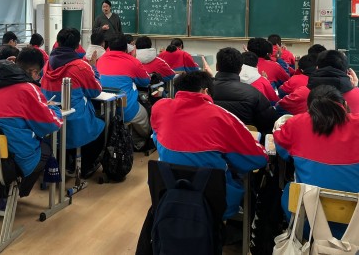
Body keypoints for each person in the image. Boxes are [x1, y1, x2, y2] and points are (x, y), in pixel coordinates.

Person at [151, 71, 268, 219]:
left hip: (169, 193)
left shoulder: (160, 107)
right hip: (213, 202)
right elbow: (258, 159)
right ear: (206, 91)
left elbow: (157, 139)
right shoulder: (222, 117)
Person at [0, 48, 63, 198]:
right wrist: (55, 109)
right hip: (13, 156)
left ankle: (3, 193)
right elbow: (51, 124)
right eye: (39, 74)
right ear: (33, 71)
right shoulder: (28, 89)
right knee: (46, 149)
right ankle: (16, 192)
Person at [273, 85, 359, 235]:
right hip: (354, 226)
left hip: (307, 221)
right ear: (345, 105)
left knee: (289, 191)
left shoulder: (296, 123)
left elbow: (282, 150)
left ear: (309, 108)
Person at [41, 28, 105, 178]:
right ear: (77, 45)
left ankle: (68, 160)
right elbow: (95, 91)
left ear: (58, 42)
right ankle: (86, 166)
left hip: (51, 119)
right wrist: (94, 67)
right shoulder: (80, 66)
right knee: (102, 125)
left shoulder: (47, 64)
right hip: (75, 121)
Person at [96, 33, 151, 150]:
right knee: (144, 115)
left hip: (104, 110)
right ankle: (142, 141)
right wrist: (134, 59)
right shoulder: (132, 61)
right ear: (126, 47)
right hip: (126, 109)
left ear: (108, 46)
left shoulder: (100, 60)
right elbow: (146, 81)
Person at [212, 47, 277, 136]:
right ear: (240, 69)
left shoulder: (203, 91)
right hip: (244, 140)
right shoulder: (254, 93)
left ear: (216, 66)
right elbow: (269, 123)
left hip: (211, 139)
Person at [276, 49, 359, 115]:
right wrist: (355, 87)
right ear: (347, 72)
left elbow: (278, 107)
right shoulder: (356, 95)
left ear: (317, 68)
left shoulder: (301, 93)